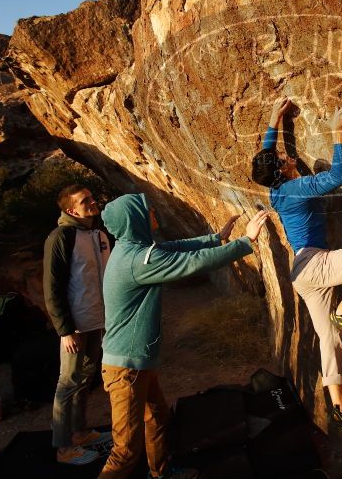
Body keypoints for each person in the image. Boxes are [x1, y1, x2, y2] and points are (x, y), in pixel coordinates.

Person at [97, 193, 269, 479]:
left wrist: (215, 238)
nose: (154, 213)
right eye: (148, 210)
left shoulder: (132, 248)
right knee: (125, 450)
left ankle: (161, 473)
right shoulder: (137, 260)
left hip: (136, 362)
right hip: (125, 369)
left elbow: (172, 247)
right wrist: (245, 242)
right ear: (134, 219)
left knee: (158, 420)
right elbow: (193, 264)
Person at [251, 98, 342, 438]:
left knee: (328, 340)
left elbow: (269, 156)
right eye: (285, 160)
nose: (290, 157)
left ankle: (340, 406)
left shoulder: (276, 190)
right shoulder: (298, 188)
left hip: (302, 274)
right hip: (315, 264)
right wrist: (337, 131)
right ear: (282, 170)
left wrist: (275, 121)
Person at [43, 184, 113, 465]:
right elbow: (52, 287)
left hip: (98, 319)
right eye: (86, 201)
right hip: (76, 324)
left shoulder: (98, 234)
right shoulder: (61, 237)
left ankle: (80, 433)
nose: (93, 203)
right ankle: (63, 448)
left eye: (92, 198)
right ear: (71, 210)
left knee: (85, 378)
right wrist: (64, 330)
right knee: (68, 382)